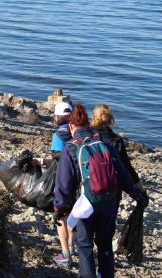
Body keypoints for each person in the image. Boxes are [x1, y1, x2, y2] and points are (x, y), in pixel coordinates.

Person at [54, 103, 147, 278]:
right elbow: (123, 174)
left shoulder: (71, 147)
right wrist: (137, 195)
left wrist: (60, 208)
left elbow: (63, 183)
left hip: (85, 203)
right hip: (110, 201)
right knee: (105, 245)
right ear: (88, 123)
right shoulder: (104, 143)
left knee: (85, 244)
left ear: (71, 125)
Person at [91, 104, 144, 194]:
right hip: (113, 186)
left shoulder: (87, 136)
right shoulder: (117, 140)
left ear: (93, 116)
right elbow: (126, 165)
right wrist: (139, 186)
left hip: (91, 183)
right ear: (110, 120)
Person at [50, 101, 76, 267]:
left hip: (63, 180)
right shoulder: (77, 132)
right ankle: (73, 248)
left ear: (57, 116)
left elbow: (56, 158)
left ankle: (65, 254)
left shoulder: (57, 135)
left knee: (61, 216)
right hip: (80, 181)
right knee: (74, 215)